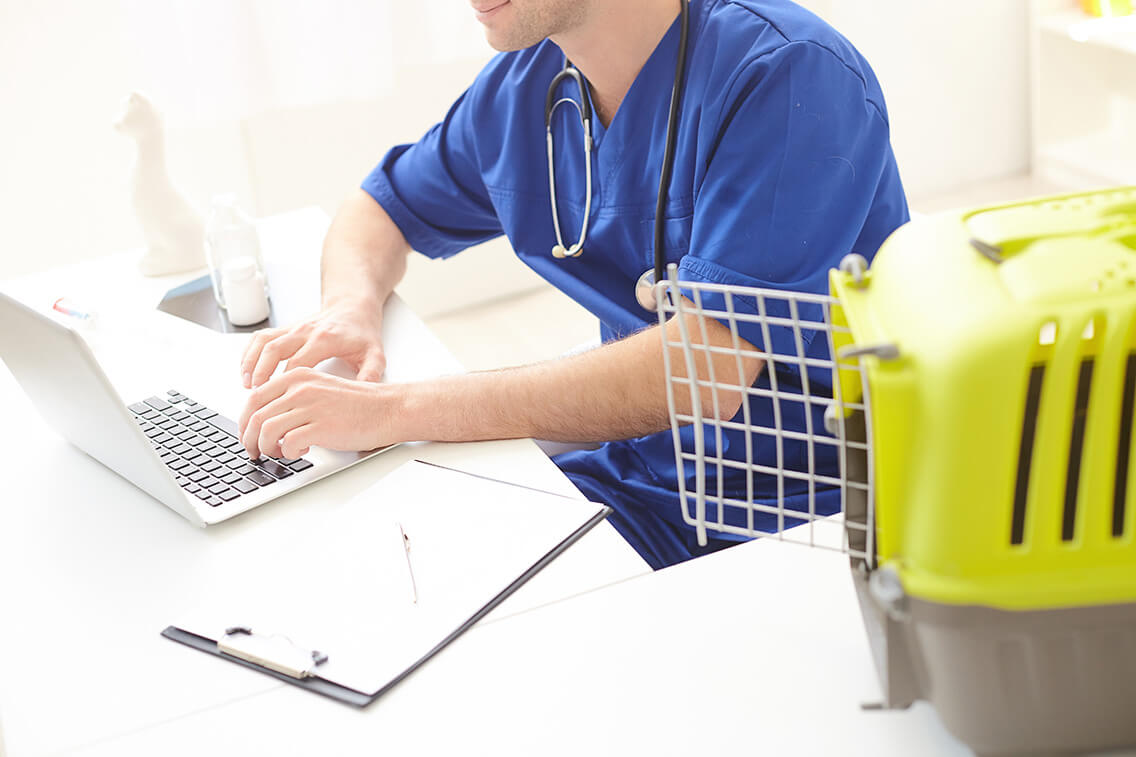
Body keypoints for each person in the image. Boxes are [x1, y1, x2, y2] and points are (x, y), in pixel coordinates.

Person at [236, 0, 909, 570]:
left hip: (807, 520)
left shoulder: (790, 73)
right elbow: (378, 210)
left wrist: (392, 410)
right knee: (365, 556)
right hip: (640, 482)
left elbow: (705, 367)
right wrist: (348, 308)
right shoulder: (526, 88)